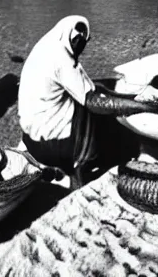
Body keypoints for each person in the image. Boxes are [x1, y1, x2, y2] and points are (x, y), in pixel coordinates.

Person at [17, 16, 98, 187]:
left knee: (78, 99)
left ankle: (46, 163)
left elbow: (87, 84)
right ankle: (78, 167)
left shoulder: (49, 44)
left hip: (29, 137)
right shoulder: (62, 58)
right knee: (87, 111)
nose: (80, 46)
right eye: (78, 40)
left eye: (83, 41)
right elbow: (90, 99)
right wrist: (137, 105)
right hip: (49, 146)